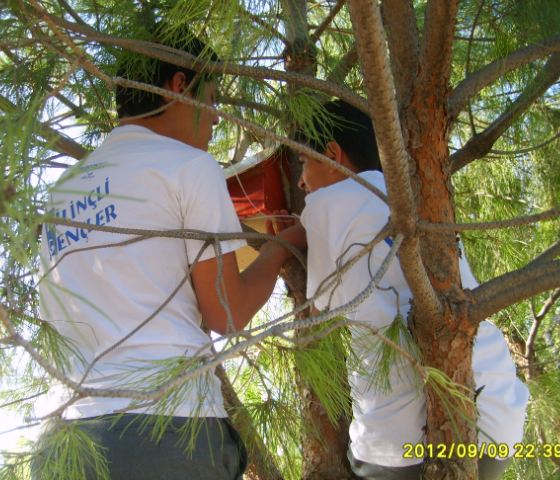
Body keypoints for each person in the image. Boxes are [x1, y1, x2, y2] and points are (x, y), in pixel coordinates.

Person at [36, 28, 305, 480]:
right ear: (179, 87)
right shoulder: (189, 167)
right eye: (214, 99)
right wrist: (281, 249)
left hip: (66, 440)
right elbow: (227, 313)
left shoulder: (60, 192)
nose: (216, 119)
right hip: (165, 435)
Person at [281, 100, 530, 480]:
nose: (301, 181)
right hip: (497, 420)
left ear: (332, 154)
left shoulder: (325, 203)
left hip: (397, 446)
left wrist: (285, 241)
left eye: (303, 163)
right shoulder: (421, 197)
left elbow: (320, 309)